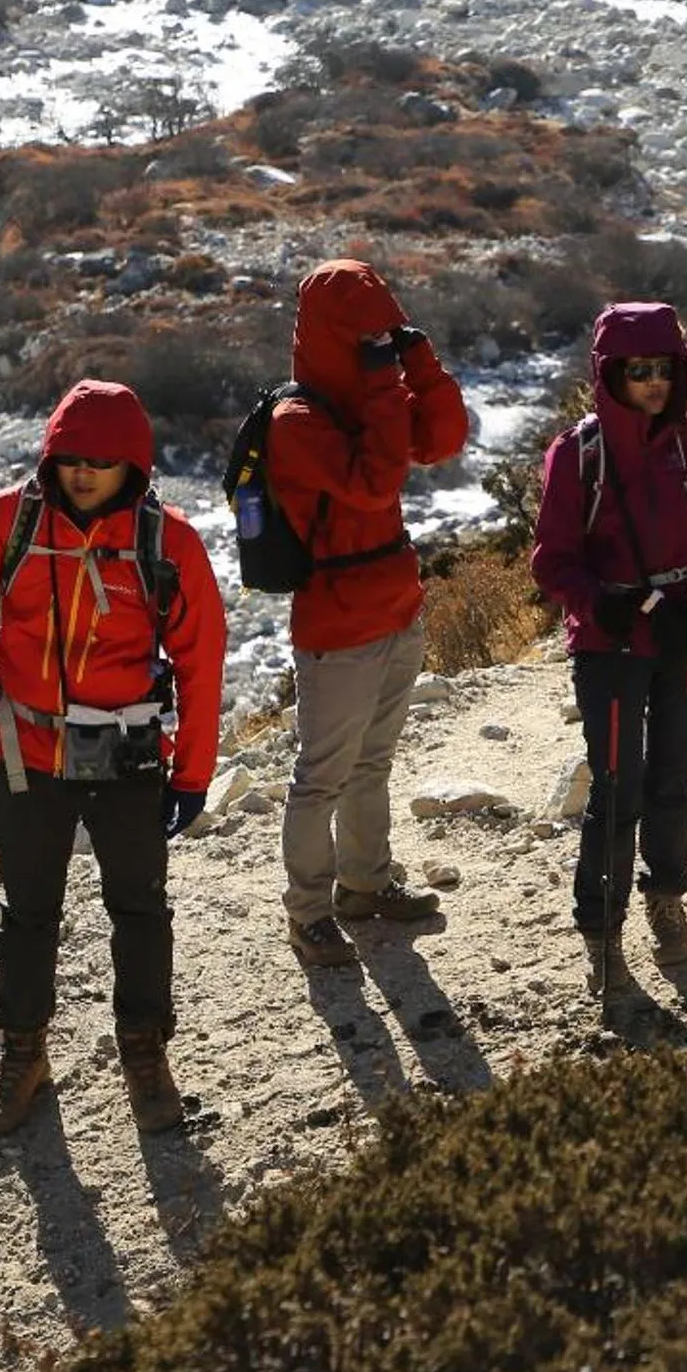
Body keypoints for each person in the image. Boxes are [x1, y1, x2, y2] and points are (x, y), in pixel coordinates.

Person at [0, 379, 226, 1135]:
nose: (83, 472)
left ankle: (146, 1055)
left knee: (140, 910)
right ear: (52, 453)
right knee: (27, 913)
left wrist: (194, 771)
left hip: (130, 751)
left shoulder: (166, 540)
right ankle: (25, 1053)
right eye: (72, 457)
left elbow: (201, 657)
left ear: (133, 466)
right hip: (28, 749)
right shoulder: (7, 522)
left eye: (102, 461)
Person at [530, 302, 687, 985]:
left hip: (686, 630)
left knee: (673, 782)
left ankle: (667, 904)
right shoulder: (578, 454)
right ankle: (602, 934)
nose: (654, 382)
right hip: (610, 644)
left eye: (664, 368)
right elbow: (551, 562)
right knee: (617, 789)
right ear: (610, 374)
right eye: (638, 370)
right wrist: (597, 601)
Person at [272, 258, 471, 970]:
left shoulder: (369, 398)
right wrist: (388, 381)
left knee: (373, 765)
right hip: (336, 624)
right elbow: (374, 479)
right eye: (370, 332)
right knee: (321, 775)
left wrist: (419, 362)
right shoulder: (296, 420)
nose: (379, 342)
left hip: (396, 609)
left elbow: (444, 439)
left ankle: (364, 884)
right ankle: (308, 914)